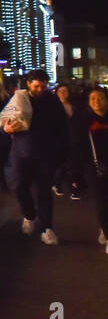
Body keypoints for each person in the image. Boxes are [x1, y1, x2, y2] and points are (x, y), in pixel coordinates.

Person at [1, 69, 68, 245]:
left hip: (45, 154)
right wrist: (5, 129)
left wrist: (59, 149)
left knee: (44, 191)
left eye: (43, 86)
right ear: (29, 84)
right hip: (21, 153)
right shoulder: (19, 98)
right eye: (37, 86)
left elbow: (62, 125)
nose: (40, 89)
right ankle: (29, 215)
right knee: (19, 186)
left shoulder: (52, 100)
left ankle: (47, 228)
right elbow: (5, 119)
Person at [72, 86, 108, 255]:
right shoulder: (83, 120)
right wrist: (75, 173)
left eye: (100, 98)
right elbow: (76, 148)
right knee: (101, 204)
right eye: (93, 99)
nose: (97, 102)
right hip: (93, 167)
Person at [53, 84, 82, 200]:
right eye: (60, 91)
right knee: (61, 164)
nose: (63, 93)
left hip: (73, 139)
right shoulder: (53, 107)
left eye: (65, 90)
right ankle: (57, 183)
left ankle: (74, 188)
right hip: (59, 140)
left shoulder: (75, 106)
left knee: (73, 164)